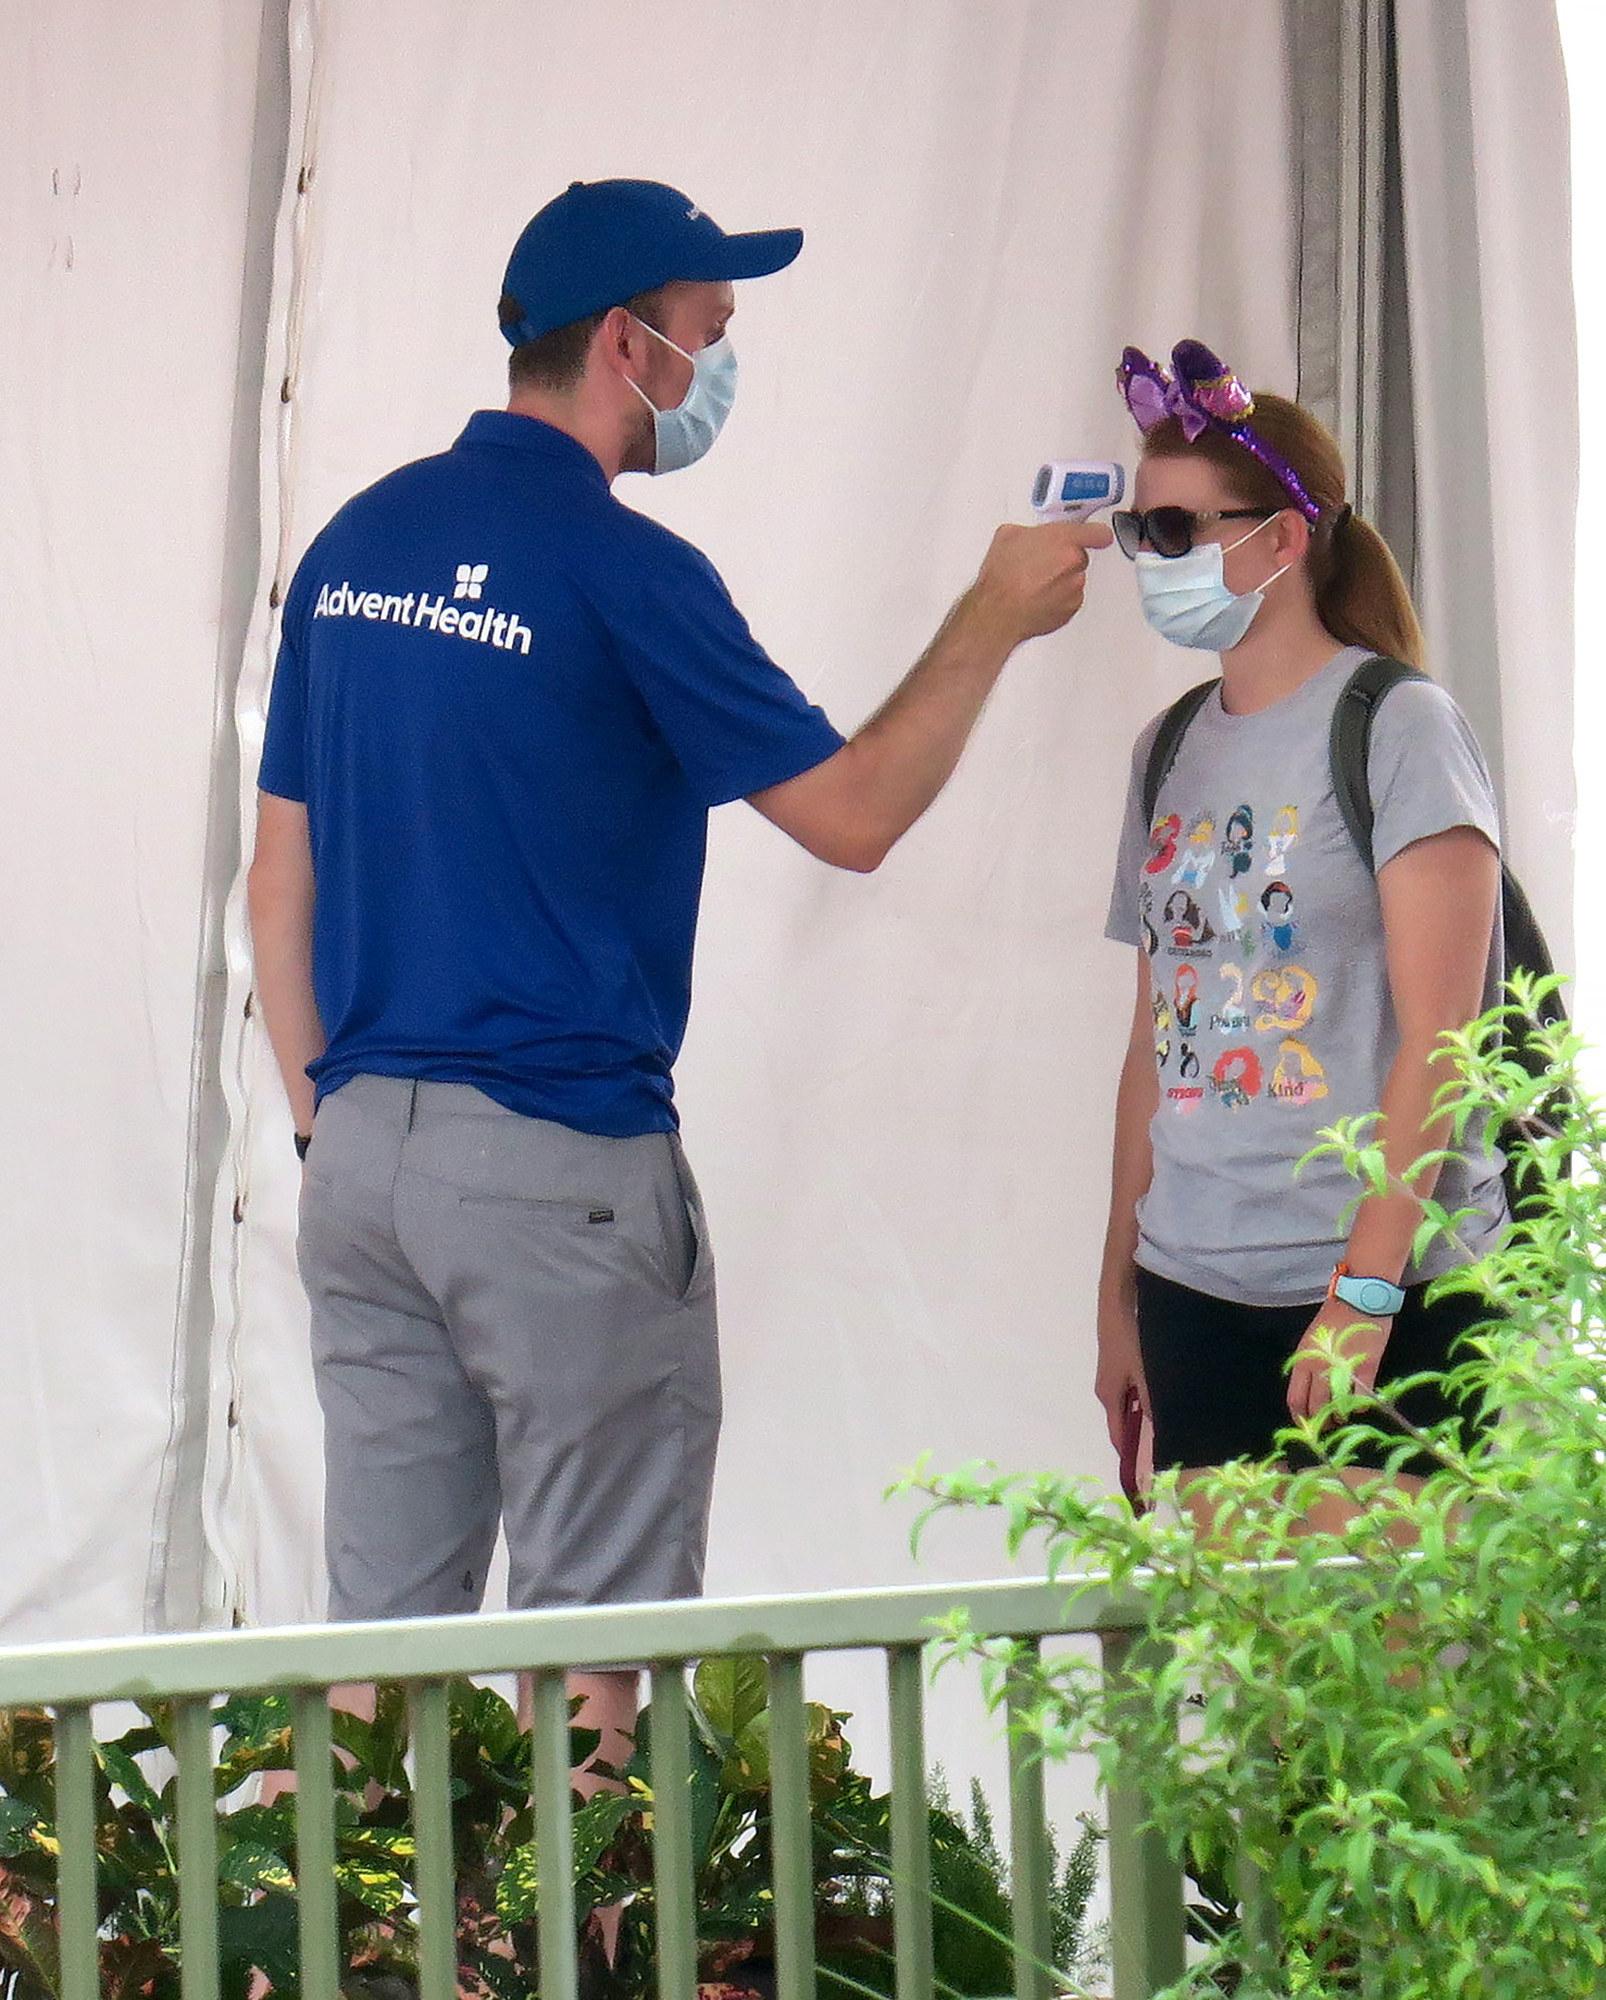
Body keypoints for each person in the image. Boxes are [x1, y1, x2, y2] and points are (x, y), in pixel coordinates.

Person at [246, 178, 1108, 1758]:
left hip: (362, 1159)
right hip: (559, 1160)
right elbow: (850, 816)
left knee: (373, 1653)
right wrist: (988, 618)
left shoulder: (354, 545)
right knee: (596, 1648)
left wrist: (327, 1130)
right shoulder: (625, 573)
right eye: (712, 333)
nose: (722, 367)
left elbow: (276, 884)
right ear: (627, 347)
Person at [1095, 339, 1505, 1535]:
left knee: (1390, 1698)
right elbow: (1150, 1045)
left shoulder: (1398, 726)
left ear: (1280, 538)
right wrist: (1116, 1290)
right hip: (1195, 1288)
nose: (1149, 562)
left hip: (1379, 1284)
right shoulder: (1166, 748)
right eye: (1138, 535)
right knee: (1255, 1696)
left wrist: (1365, 1292)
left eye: (1175, 533)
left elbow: (1444, 1039)